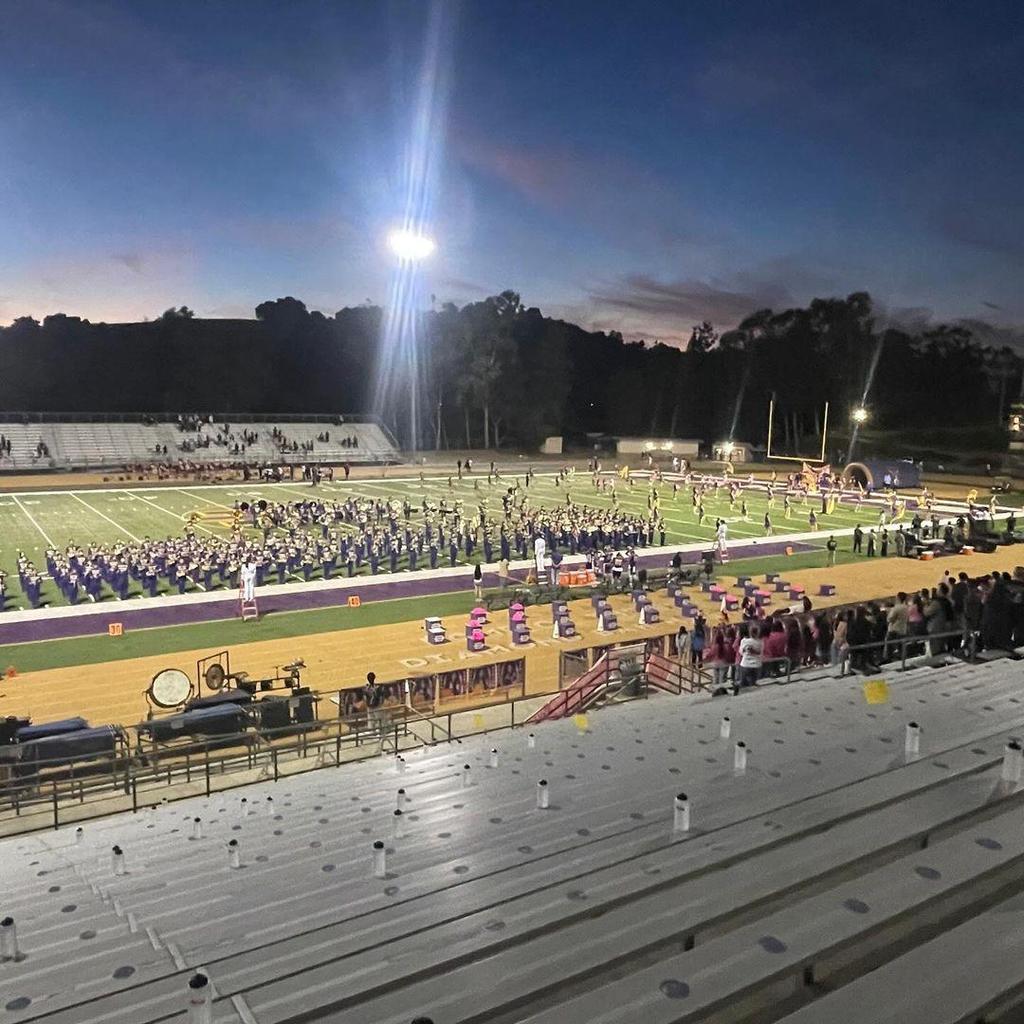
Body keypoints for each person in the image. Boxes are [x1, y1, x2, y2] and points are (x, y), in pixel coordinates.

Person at [736, 624, 763, 693]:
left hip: (745, 664)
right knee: (753, 683)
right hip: (757, 664)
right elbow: (760, 652)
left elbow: (741, 652)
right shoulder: (760, 642)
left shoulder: (744, 641)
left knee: (743, 683)